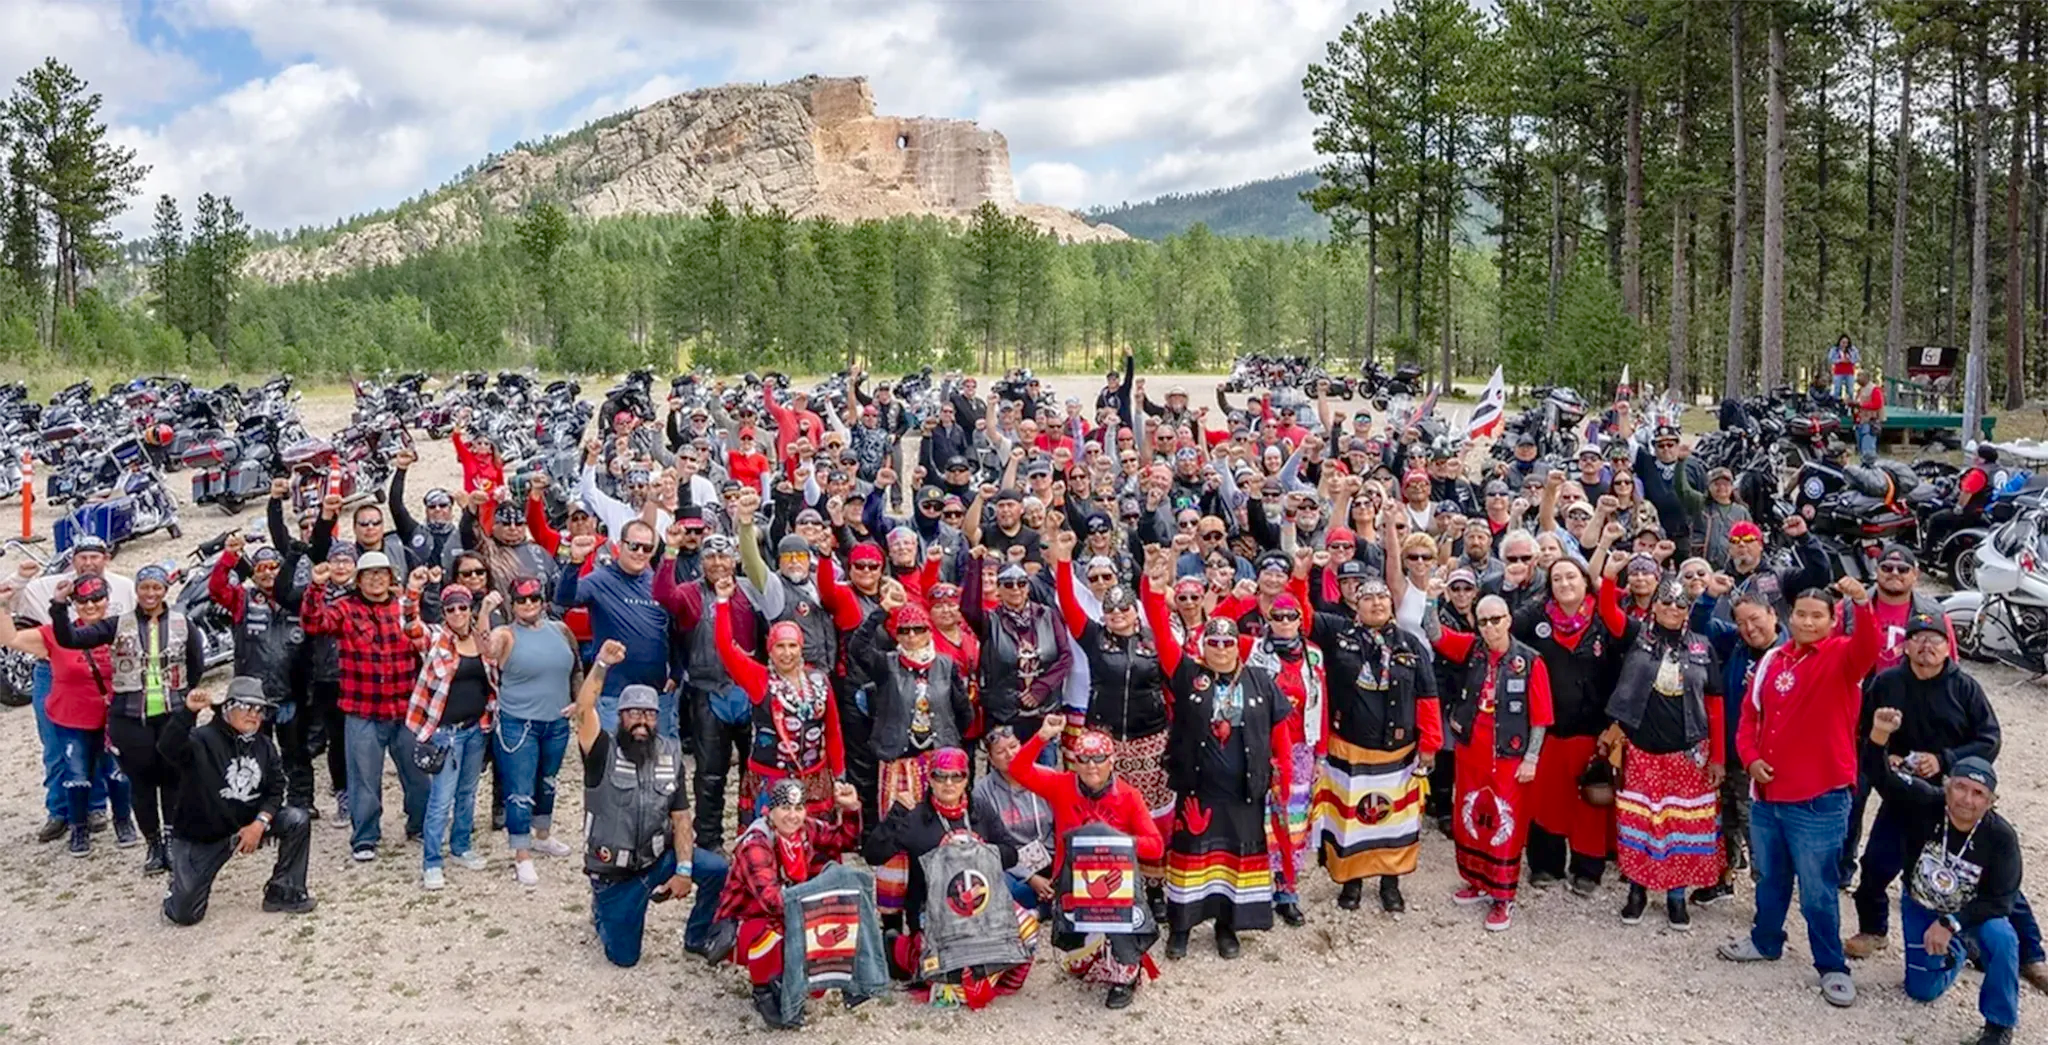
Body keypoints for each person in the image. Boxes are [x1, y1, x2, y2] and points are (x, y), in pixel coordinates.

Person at [1718, 580, 1879, 1008]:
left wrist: (1861, 603)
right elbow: (1750, 716)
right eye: (1802, 614)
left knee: (1817, 890)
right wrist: (1749, 758)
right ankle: (1766, 939)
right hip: (1769, 795)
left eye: (1817, 616)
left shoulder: (1844, 657)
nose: (1808, 622)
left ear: (1831, 620)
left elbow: (1869, 644)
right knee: (1770, 878)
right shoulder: (1773, 659)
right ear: (1789, 616)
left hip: (1818, 799)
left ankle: (1831, 965)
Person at [1845, 611, 2006, 961]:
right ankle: (1873, 929)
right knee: (1876, 864)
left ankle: (1971, 939)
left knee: (1958, 873)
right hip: (1902, 792)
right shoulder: (1886, 683)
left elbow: (1990, 739)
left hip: (1951, 799)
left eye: (1934, 640)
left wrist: (1945, 760)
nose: (1926, 647)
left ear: (1948, 648)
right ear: (1904, 645)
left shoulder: (1965, 688)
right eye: (1917, 638)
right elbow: (1861, 732)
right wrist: (1885, 754)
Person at [1864, 708, 2024, 1045]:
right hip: (1922, 901)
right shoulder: (1927, 803)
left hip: (1971, 912)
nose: (1967, 800)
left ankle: (1999, 1023)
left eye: (1978, 794)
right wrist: (1879, 734)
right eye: (1961, 788)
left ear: (1992, 802)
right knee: (1921, 990)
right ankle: (1962, 950)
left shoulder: (2001, 837)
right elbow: (1882, 778)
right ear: (1947, 786)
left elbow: (2002, 899)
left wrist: (1951, 922)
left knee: (2003, 938)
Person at [1146, 610, 1289, 961]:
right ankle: (1181, 928)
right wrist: (1152, 582)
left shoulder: (1260, 679)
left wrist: (1281, 776)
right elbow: (1161, 630)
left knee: (1235, 862)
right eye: (1214, 642)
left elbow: (1279, 734)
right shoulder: (1188, 675)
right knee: (1190, 858)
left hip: (1244, 792)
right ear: (1202, 646)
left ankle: (1226, 926)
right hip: (1199, 791)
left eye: (1228, 642)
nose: (1222, 649)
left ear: (1238, 645)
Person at [574, 640, 727, 968]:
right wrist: (601, 664)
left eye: (649, 714)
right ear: (620, 716)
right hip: (616, 872)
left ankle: (697, 937)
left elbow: (681, 817)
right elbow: (584, 710)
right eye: (633, 713)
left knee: (717, 870)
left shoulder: (670, 754)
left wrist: (684, 870)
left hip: (657, 857)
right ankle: (603, 910)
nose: (641, 721)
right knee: (624, 958)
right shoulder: (602, 751)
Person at [49, 563, 204, 875]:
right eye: (145, 587)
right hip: (131, 718)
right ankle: (153, 845)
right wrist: (58, 606)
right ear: (136, 590)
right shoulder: (116, 624)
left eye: (156, 588)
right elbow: (69, 639)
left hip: (173, 715)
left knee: (174, 779)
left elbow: (196, 665)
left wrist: (182, 699)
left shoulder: (183, 623)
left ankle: (172, 841)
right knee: (142, 783)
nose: (150, 593)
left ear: (165, 590)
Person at [1006, 714, 1165, 1010]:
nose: (1092, 765)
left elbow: (1155, 847)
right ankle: (1097, 954)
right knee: (1075, 963)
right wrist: (1042, 736)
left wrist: (1119, 843)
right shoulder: (1060, 785)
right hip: (1072, 882)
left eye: (1099, 758)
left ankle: (1125, 975)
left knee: (1119, 943)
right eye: (1084, 759)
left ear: (1111, 761)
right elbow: (1017, 768)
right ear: (1074, 762)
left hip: (1118, 889)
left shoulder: (1129, 796)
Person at [1305, 574, 1438, 915]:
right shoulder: (1339, 635)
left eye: (1382, 597)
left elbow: (1428, 696)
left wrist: (1430, 745)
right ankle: (1351, 883)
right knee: (1351, 821)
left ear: (1391, 604)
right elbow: (1302, 615)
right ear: (1356, 606)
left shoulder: (1411, 644)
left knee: (1395, 822)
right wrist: (1297, 575)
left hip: (1399, 751)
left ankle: (1390, 883)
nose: (1377, 603)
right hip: (1350, 747)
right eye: (1368, 598)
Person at [861, 746, 1034, 1005]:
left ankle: (991, 973)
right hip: (932, 914)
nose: (949, 783)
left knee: (1029, 928)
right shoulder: (914, 816)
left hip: (983, 908)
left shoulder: (980, 811)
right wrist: (896, 813)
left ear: (967, 779)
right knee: (957, 991)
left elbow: (1011, 852)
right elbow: (873, 855)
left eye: (957, 776)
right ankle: (900, 949)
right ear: (929, 779)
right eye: (940, 776)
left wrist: (977, 850)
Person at [1605, 579, 1724, 930]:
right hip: (1640, 750)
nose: (1674, 609)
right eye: (1667, 602)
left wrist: (1718, 756)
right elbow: (1607, 611)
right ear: (1653, 606)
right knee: (1639, 824)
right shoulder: (1635, 637)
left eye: (1681, 604)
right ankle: (1637, 892)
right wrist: (1612, 577)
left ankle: (1676, 896)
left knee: (1681, 826)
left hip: (1688, 754)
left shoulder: (1703, 647)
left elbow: (1715, 704)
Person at [1432, 594, 1553, 932]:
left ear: (1508, 619)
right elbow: (1435, 634)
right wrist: (1428, 597)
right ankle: (1476, 881)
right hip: (1471, 753)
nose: (1490, 627)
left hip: (1510, 758)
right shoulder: (1472, 650)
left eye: (1496, 619)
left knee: (1505, 825)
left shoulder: (1531, 661)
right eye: (1483, 621)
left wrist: (1531, 758)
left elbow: (1541, 718)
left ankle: (1503, 896)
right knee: (1471, 818)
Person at [300, 552, 430, 863]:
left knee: (417, 775)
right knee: (363, 780)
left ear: (391, 577)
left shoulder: (404, 608)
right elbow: (314, 623)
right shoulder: (344, 608)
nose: (376, 579)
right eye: (369, 574)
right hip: (362, 710)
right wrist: (316, 588)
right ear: (358, 580)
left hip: (405, 708)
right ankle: (365, 837)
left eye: (381, 574)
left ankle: (420, 825)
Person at [157, 676, 316, 924]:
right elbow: (168, 748)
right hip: (203, 835)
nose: (254, 714)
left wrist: (259, 824)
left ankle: (283, 890)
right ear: (228, 707)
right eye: (246, 706)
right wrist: (186, 713)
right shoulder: (202, 740)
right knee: (184, 914)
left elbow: (276, 789)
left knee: (297, 819)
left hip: (247, 824)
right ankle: (178, 883)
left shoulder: (264, 746)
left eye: (259, 709)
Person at [0, 574, 137, 856]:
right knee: (75, 776)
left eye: (96, 599)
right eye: (83, 600)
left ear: (107, 601)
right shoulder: (55, 634)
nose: (90, 605)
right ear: (74, 603)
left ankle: (123, 821)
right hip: (72, 718)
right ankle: (78, 829)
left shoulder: (122, 630)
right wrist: (3, 605)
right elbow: (10, 638)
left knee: (117, 774)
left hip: (112, 716)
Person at [712, 775, 865, 1027]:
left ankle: (795, 979)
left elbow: (844, 840)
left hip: (790, 908)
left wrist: (850, 809)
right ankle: (763, 989)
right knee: (777, 933)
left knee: (831, 927)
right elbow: (772, 902)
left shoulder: (804, 829)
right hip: (747, 921)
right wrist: (819, 904)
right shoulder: (756, 844)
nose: (792, 816)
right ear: (769, 810)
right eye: (785, 808)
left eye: (798, 808)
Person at [715, 578, 845, 814]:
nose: (787, 653)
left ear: (801, 647)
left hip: (813, 777)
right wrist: (723, 602)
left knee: (814, 845)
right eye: (780, 647)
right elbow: (725, 647)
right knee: (771, 844)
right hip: (770, 778)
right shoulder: (759, 679)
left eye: (792, 646)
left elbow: (833, 730)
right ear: (770, 650)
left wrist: (839, 775)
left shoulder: (818, 680)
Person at [406, 584, 502, 891]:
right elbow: (410, 625)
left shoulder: (480, 636)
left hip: (476, 728)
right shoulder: (435, 638)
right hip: (445, 733)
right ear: (444, 612)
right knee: (440, 799)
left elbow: (493, 657)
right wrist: (413, 591)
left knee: (468, 792)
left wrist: (486, 611)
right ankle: (432, 861)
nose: (458, 613)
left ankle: (461, 846)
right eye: (451, 609)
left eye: (463, 607)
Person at [487, 575, 580, 886]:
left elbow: (576, 666)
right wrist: (485, 611)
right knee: (520, 790)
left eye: (534, 599)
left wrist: (578, 699)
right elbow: (487, 650)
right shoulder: (505, 634)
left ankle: (542, 834)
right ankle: (521, 852)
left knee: (548, 782)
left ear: (543, 601)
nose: (529, 605)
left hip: (556, 719)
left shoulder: (561, 629)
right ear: (512, 605)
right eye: (522, 600)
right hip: (519, 721)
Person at [554, 521, 672, 736]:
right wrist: (575, 562)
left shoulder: (657, 582)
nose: (639, 553)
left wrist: (678, 671)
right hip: (613, 693)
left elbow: (674, 629)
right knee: (611, 759)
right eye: (634, 546)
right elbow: (564, 598)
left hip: (655, 692)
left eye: (647, 548)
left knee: (659, 761)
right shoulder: (601, 579)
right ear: (620, 544)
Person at [971, 730, 1058, 912]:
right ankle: (1043, 907)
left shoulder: (1047, 776)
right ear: (991, 760)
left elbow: (1063, 826)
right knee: (993, 887)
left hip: (1052, 859)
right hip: (1013, 866)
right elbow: (988, 846)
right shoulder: (982, 792)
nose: (1010, 754)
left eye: (1013, 746)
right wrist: (1030, 878)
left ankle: (1045, 903)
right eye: (1001, 752)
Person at [1828, 334, 1861, 401]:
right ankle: (1836, 404)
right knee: (1837, 390)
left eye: (1846, 343)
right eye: (1843, 342)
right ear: (1839, 342)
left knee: (1850, 390)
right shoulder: (1835, 349)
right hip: (1838, 372)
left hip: (1849, 372)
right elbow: (1830, 359)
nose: (1844, 344)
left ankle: (1850, 405)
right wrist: (1840, 360)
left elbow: (1857, 358)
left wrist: (1850, 360)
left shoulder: (1852, 349)